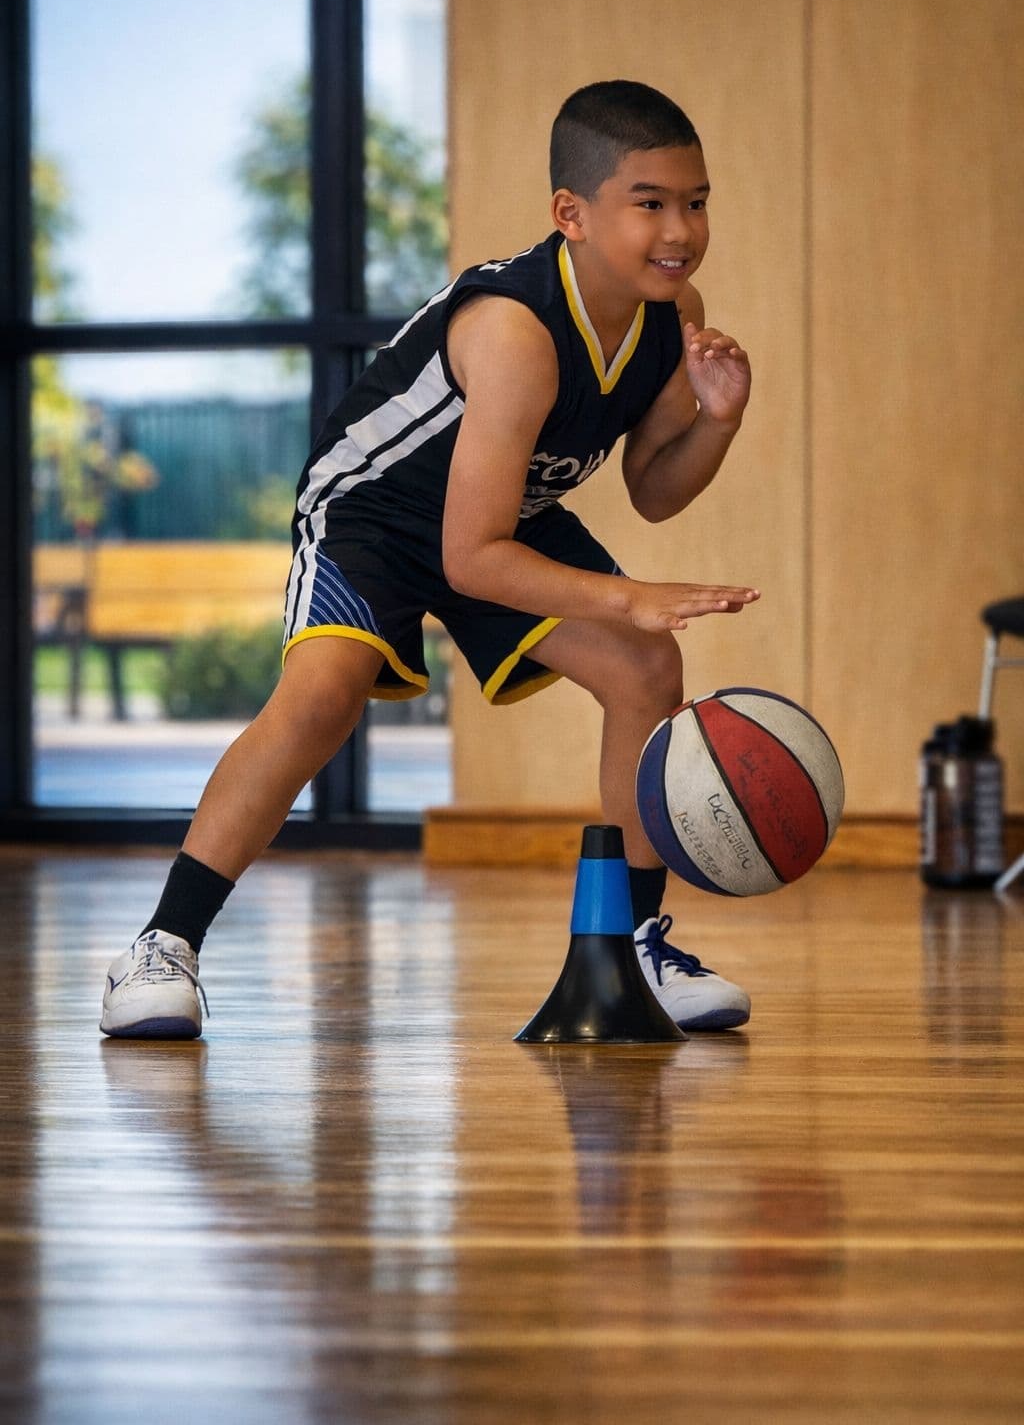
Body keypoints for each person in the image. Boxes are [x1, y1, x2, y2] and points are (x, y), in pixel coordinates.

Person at [99, 79, 760, 1041]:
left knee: (647, 667)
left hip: (504, 512)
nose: (681, 229)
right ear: (570, 215)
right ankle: (162, 947)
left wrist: (720, 420)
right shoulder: (515, 331)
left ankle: (634, 950)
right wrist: (627, 595)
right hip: (375, 513)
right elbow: (469, 554)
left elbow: (655, 486)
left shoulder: (673, 309)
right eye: (650, 203)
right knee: (323, 695)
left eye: (695, 202)